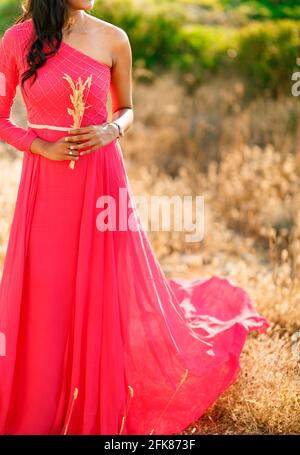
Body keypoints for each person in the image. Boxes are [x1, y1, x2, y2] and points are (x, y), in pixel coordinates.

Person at [0, 0, 269, 435]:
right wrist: (39, 146)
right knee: (45, 295)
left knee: (102, 288)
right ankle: (38, 409)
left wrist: (111, 129)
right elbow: (0, 118)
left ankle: (96, 410)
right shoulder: (15, 41)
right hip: (44, 186)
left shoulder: (113, 38)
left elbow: (127, 108)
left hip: (101, 179)